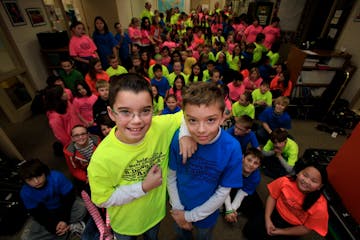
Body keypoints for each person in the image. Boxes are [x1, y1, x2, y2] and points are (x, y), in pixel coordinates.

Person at [87, 73, 193, 239]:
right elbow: (102, 199)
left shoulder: (160, 126)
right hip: (125, 225)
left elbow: (190, 113)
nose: (136, 120)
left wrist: (185, 134)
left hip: (155, 216)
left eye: (145, 110)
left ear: (153, 109)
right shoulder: (102, 158)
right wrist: (143, 187)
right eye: (125, 112)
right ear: (111, 113)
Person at [167, 82, 243, 240]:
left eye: (210, 120)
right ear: (185, 118)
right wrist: (178, 209)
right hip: (179, 206)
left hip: (206, 214)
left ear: (223, 117)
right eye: (193, 121)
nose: (201, 130)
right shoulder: (178, 139)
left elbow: (223, 191)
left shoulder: (232, 148)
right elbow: (171, 175)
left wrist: (188, 216)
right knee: (181, 236)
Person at [244, 161, 329, 239]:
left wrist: (280, 232)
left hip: (292, 227)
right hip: (275, 212)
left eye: (314, 181)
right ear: (298, 173)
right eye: (305, 175)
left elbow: (306, 228)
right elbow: (272, 197)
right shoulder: (285, 181)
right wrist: (268, 219)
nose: (306, 181)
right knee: (249, 231)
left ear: (320, 186)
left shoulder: (320, 206)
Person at [19, 159, 87, 240]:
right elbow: (37, 213)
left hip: (65, 206)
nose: (36, 181)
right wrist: (54, 225)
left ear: (45, 172)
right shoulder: (25, 192)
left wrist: (63, 220)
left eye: (39, 176)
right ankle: (68, 228)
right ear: (25, 181)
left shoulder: (57, 177)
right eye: (30, 180)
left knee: (83, 206)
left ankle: (62, 231)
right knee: (26, 237)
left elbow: (69, 199)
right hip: (47, 212)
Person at [224, 148, 263, 223]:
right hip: (226, 185)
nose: (251, 164)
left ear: (259, 166)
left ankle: (232, 213)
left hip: (241, 187)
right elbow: (224, 188)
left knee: (257, 205)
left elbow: (241, 193)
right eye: (249, 160)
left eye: (255, 163)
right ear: (242, 158)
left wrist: (232, 210)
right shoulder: (233, 166)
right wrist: (229, 209)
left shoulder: (256, 177)